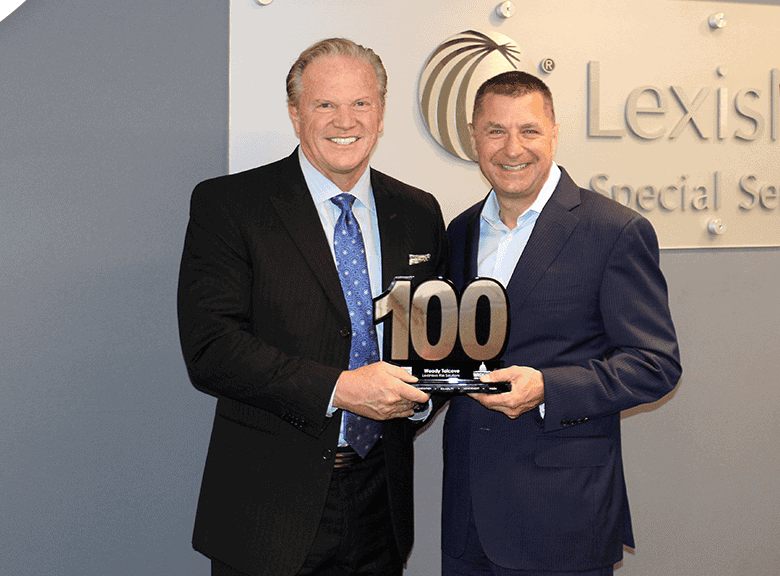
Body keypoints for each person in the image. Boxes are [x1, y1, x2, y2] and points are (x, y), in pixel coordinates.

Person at [178, 38, 447, 576]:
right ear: (295, 113)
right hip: (268, 511)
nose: (345, 120)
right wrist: (340, 389)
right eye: (325, 104)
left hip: (381, 503)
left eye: (361, 103)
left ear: (381, 112)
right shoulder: (230, 205)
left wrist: (419, 401)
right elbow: (212, 350)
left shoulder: (418, 211)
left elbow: (432, 344)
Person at [440, 71, 682, 575]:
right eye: (495, 131)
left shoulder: (614, 230)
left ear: (553, 133)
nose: (512, 148)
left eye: (528, 130)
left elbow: (655, 364)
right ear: (474, 137)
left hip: (561, 516)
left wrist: (548, 388)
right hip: (468, 518)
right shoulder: (459, 231)